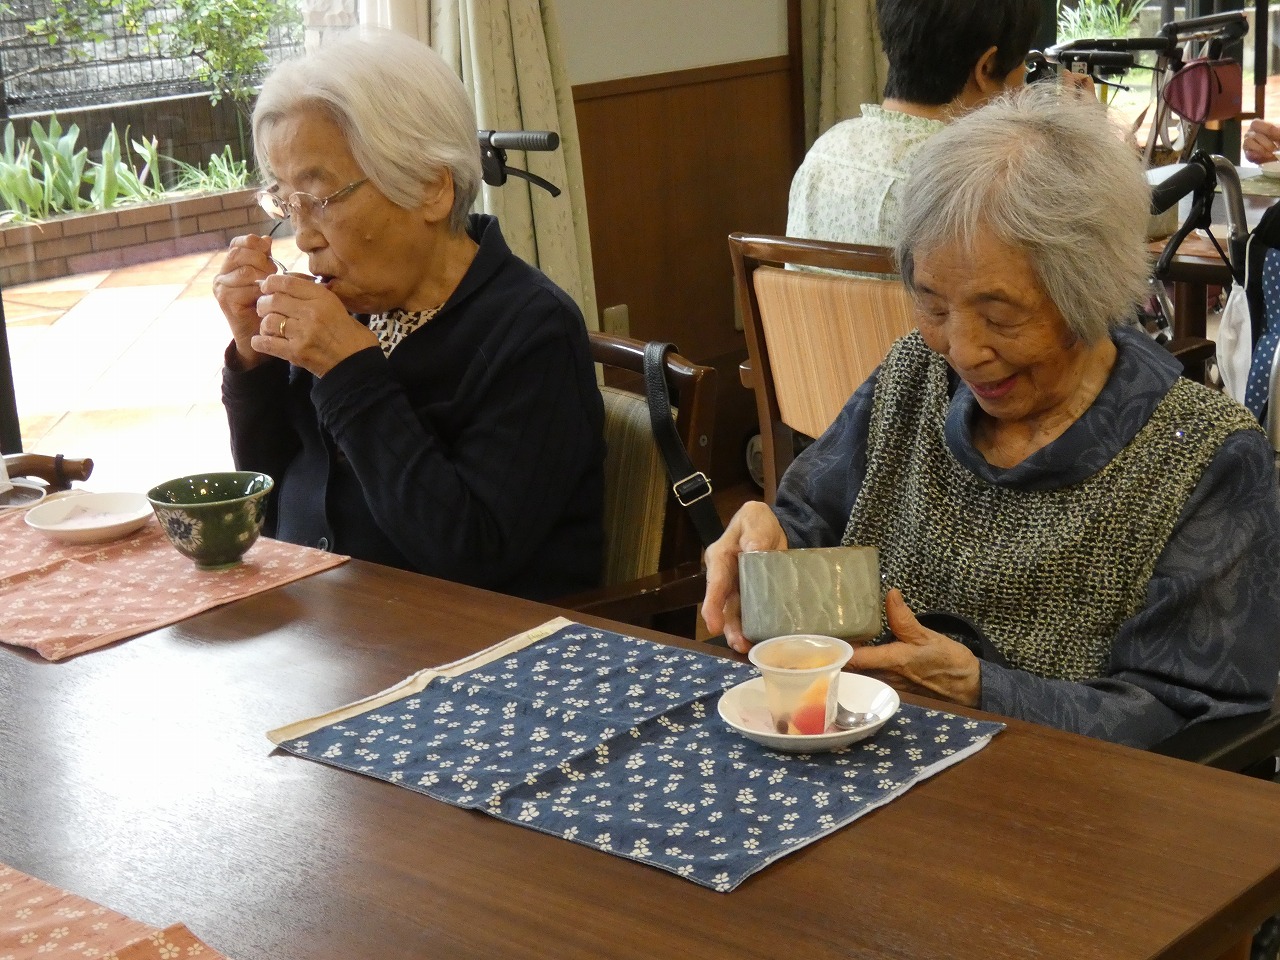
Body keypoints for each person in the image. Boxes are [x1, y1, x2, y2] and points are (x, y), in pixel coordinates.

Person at [706, 84, 1280, 749]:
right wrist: (767, 545)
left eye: (1001, 317)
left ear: (1088, 292)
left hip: (1057, 796)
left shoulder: (1205, 456)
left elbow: (1190, 712)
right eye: (933, 306)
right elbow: (811, 529)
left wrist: (983, 689)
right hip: (859, 760)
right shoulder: (915, 377)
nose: (963, 350)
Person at [213, 30, 605, 602]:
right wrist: (257, 360)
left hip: (469, 643)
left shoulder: (532, 330)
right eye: (287, 202)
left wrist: (349, 374)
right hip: (324, 623)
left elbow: (473, 556)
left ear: (430, 189)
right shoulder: (351, 308)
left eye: (321, 199)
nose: (304, 236)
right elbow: (269, 504)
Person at [785, 0, 1040, 247]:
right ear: (986, 67)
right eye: (1023, 62)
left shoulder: (822, 156)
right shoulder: (978, 183)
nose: (1024, 80)